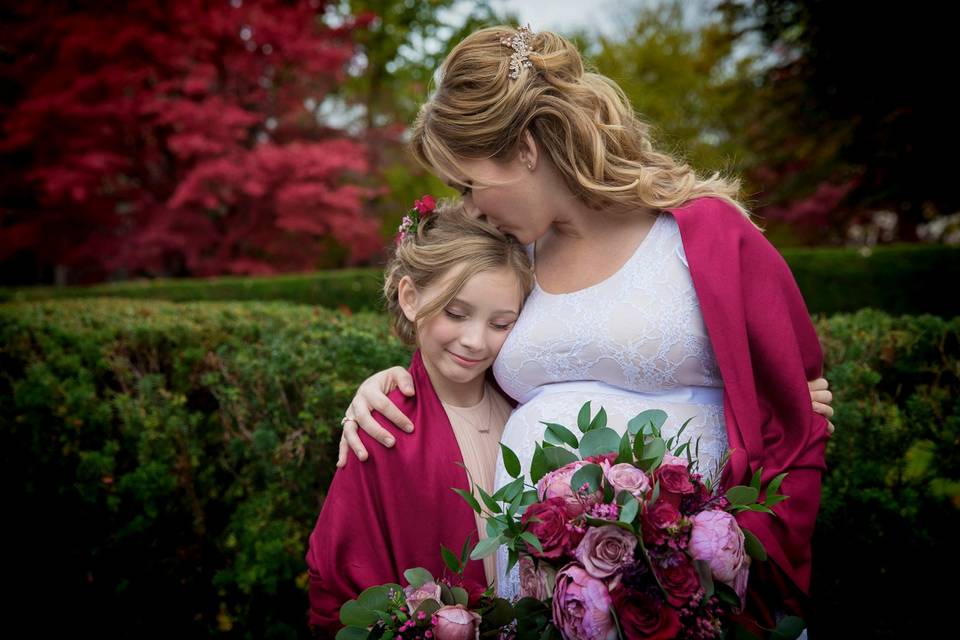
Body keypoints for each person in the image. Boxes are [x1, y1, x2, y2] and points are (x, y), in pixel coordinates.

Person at [335, 25, 835, 638]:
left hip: (691, 595)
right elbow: (457, 359)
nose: (468, 206)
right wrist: (387, 382)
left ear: (524, 148)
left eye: (470, 182)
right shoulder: (512, 258)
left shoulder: (704, 234)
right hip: (537, 600)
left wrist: (730, 561)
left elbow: (796, 417)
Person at [304, 199, 535, 636]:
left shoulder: (527, 410)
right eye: (456, 313)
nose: (475, 341)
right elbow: (339, 582)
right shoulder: (383, 428)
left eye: (501, 323)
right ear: (411, 298)